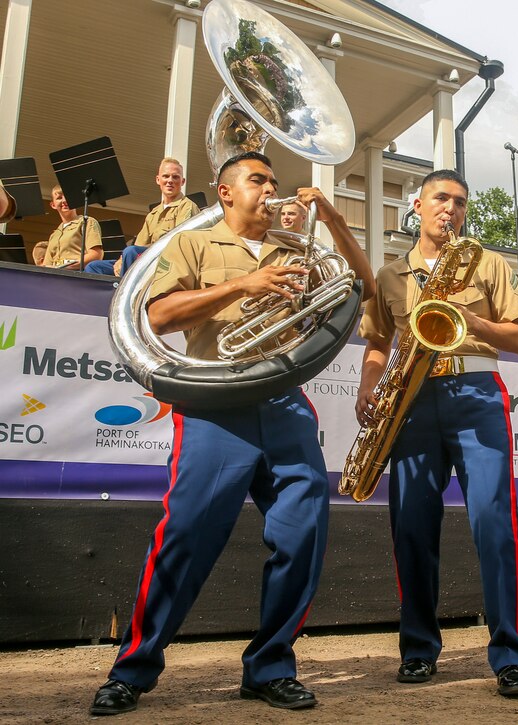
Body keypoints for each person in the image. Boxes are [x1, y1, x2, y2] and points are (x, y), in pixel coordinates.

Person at [89, 151, 375, 716]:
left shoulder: (299, 247)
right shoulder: (192, 244)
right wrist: (245, 285)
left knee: (302, 536)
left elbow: (361, 289)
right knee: (187, 538)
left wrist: (337, 223)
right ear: (225, 192)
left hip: (286, 406)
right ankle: (133, 669)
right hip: (216, 409)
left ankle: (270, 667)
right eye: (258, 180)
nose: (271, 189)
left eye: (273, 180)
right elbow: (161, 316)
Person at [355, 169, 518, 697]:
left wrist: (471, 322)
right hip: (411, 401)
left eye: (459, 202)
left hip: (477, 392)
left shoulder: (488, 264)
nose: (450, 209)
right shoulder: (390, 275)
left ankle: (511, 656)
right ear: (417, 204)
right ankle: (418, 650)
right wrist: (368, 385)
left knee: (493, 526)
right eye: (440, 198)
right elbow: (376, 345)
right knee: (411, 527)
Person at [85, 158, 200, 277]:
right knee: (95, 267)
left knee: (130, 252)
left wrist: (130, 255)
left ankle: (125, 294)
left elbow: (178, 244)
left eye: (175, 177)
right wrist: (121, 260)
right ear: (158, 180)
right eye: (165, 176)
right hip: (147, 259)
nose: (170, 181)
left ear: (182, 181)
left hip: (166, 262)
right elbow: (139, 244)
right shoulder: (154, 213)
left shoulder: (187, 206)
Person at [40, 185, 103, 269]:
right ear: (53, 205)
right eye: (59, 198)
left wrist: (65, 267)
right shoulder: (54, 235)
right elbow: (46, 265)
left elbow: (96, 255)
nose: (64, 201)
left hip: (76, 276)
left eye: (68, 197)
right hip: (55, 278)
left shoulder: (86, 222)